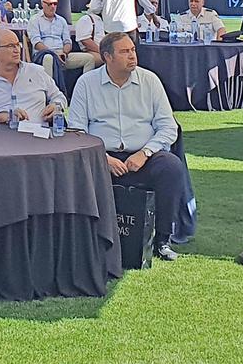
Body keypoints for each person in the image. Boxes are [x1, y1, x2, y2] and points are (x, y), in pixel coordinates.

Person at [67, 32, 192, 260]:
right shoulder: (86, 84)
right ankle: (89, 237)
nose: (132, 56)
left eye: (133, 50)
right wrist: (102, 157)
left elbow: (168, 127)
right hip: (100, 155)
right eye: (125, 52)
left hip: (144, 154)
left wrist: (145, 153)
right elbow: (76, 131)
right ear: (107, 57)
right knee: (77, 167)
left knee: (172, 167)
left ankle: (162, 240)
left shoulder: (150, 81)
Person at [0, 27, 66, 126]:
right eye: (10, 46)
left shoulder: (36, 72)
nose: (17, 50)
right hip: (4, 136)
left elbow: (59, 96)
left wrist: (56, 106)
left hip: (39, 134)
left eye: (17, 45)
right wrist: (8, 116)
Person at [26, 0, 73, 80]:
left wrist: (64, 52)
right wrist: (54, 53)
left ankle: (83, 90)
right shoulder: (34, 20)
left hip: (61, 53)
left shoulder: (62, 20)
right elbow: (36, 43)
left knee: (89, 59)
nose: (52, 6)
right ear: (42, 4)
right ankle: (49, 91)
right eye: (49, 4)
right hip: (43, 54)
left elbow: (67, 41)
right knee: (49, 58)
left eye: (55, 4)